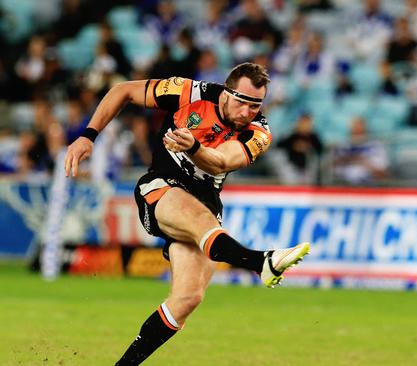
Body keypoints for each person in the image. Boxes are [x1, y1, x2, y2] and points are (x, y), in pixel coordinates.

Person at [64, 62, 310, 365]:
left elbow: (220, 162)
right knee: (200, 220)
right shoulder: (189, 92)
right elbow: (122, 91)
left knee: (188, 298)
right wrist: (88, 135)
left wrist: (194, 147)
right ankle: (261, 262)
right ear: (226, 92)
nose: (248, 112)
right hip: (160, 189)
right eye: (243, 103)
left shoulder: (259, 131)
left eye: (255, 105)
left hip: (205, 204)